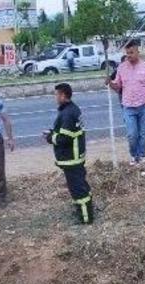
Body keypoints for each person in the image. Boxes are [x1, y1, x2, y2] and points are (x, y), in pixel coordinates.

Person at [45, 83, 93, 224]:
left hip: (71, 158)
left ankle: (85, 218)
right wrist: (53, 132)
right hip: (76, 156)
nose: (55, 97)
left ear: (63, 95)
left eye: (56, 94)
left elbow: (64, 138)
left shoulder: (67, 113)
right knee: (81, 185)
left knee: (78, 189)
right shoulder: (72, 109)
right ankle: (84, 210)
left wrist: (49, 137)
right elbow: (67, 132)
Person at [109, 41, 145, 168]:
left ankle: (142, 156)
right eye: (127, 53)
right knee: (132, 134)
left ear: (138, 52)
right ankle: (133, 155)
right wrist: (110, 83)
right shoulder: (121, 67)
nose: (129, 55)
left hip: (144, 106)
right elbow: (118, 86)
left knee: (143, 133)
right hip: (128, 106)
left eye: (131, 52)